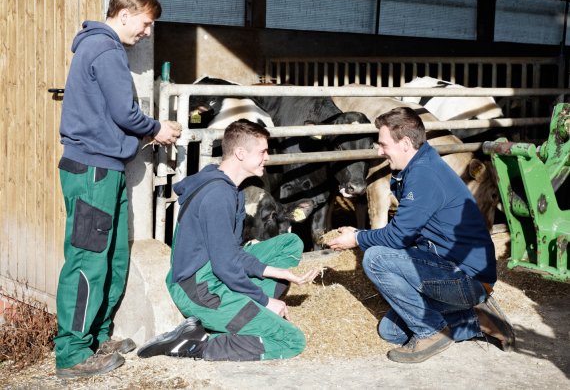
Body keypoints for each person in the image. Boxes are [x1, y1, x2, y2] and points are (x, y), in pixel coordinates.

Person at [55, 0, 182, 378]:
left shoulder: (99, 49)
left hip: (105, 166)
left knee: (113, 255)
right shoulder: (106, 49)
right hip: (93, 169)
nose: (146, 33)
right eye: (145, 24)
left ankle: (96, 336)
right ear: (124, 14)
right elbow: (125, 114)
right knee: (88, 258)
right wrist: (157, 128)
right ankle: (72, 352)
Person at [328, 107, 515, 363]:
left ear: (405, 143)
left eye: (383, 144)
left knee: (375, 258)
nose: (379, 151)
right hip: (443, 265)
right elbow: (405, 236)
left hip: (465, 277)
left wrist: (357, 238)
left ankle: (430, 332)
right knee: (391, 330)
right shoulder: (415, 167)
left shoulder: (424, 174)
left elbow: (397, 237)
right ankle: (477, 320)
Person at [137, 119, 319, 361]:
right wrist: (264, 301)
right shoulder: (218, 195)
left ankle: (244, 308)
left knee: (290, 243)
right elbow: (226, 265)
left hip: (210, 273)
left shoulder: (231, 190)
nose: (267, 158)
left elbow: (233, 254)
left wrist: (282, 273)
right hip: (199, 290)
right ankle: (195, 344)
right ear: (241, 153)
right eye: (263, 152)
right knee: (291, 340)